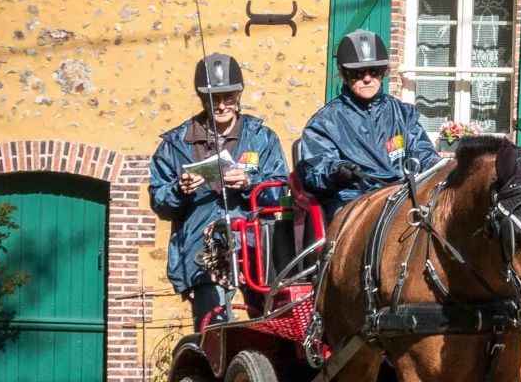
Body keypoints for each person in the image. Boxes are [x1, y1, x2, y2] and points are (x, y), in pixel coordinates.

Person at [149, 53, 289, 331]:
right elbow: (159, 200)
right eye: (213, 98)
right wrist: (179, 189)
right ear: (202, 99)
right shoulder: (176, 143)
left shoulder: (262, 137)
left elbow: (282, 190)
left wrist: (250, 182)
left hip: (254, 249)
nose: (222, 105)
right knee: (213, 332)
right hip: (203, 253)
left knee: (269, 328)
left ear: (238, 95)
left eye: (228, 97)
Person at [296, 29, 441, 221]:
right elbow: (315, 168)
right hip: (353, 201)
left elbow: (423, 153)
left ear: (383, 73)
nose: (367, 78)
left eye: (374, 71)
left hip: (402, 197)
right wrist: (338, 171)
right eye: (358, 73)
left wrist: (440, 166)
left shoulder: (403, 114)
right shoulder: (324, 123)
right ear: (345, 74)